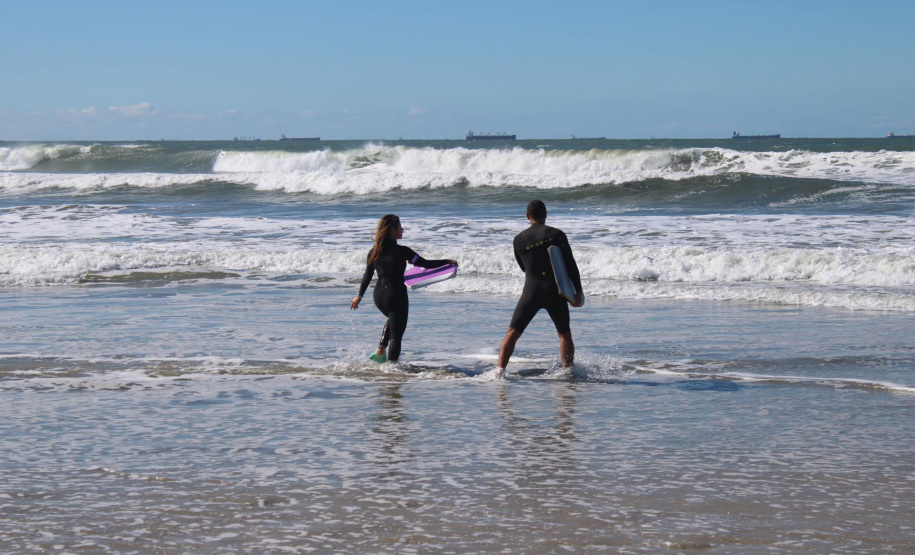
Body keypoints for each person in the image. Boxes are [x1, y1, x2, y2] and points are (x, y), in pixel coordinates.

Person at [350, 214, 457, 363]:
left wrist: (359, 296)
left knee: (393, 320)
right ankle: (391, 370)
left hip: (379, 296)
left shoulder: (374, 251)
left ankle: (381, 348)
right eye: (400, 227)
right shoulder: (403, 251)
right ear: (392, 230)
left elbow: (367, 275)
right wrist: (447, 262)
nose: (402, 229)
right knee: (396, 335)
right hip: (395, 294)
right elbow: (425, 264)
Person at [497, 200, 583, 377]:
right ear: (545, 215)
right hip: (555, 291)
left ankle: (499, 371)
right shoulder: (556, 234)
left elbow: (523, 267)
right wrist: (578, 290)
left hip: (531, 292)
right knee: (564, 334)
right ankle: (568, 372)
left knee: (512, 333)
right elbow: (570, 264)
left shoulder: (518, 240)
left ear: (527, 216)